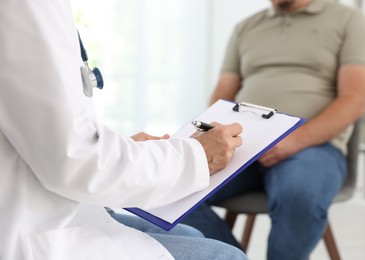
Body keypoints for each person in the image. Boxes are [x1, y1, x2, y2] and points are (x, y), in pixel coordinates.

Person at [0, 0, 248, 259]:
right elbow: (76, 159)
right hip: (25, 230)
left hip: (42, 202)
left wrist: (131, 151)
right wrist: (196, 155)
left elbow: (49, 134)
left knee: (191, 236)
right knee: (226, 256)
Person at [180, 0, 365, 259]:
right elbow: (221, 97)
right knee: (173, 183)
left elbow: (354, 99)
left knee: (299, 193)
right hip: (243, 145)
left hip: (311, 147)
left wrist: (292, 141)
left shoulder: (349, 20)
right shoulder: (246, 28)